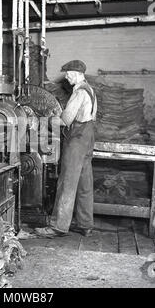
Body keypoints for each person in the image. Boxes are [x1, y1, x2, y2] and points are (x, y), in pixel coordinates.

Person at [36, 60, 97, 238]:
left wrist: (42, 120)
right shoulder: (91, 90)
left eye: (68, 73)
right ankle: (86, 225)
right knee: (85, 183)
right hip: (88, 137)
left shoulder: (79, 92)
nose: (67, 76)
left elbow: (65, 120)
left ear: (78, 74)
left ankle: (58, 227)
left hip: (77, 139)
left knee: (67, 183)